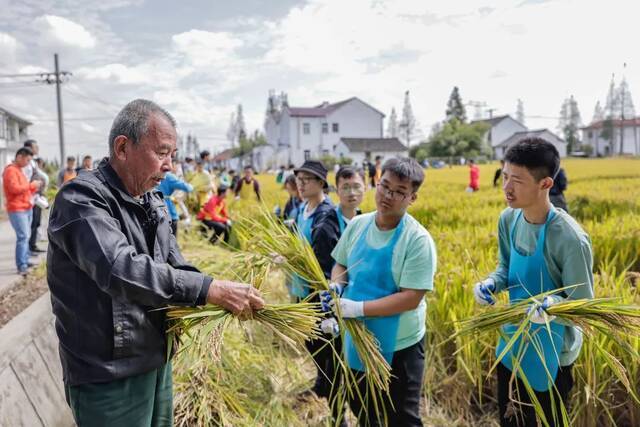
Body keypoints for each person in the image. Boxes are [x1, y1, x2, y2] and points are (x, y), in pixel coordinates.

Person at [46, 99, 264, 426]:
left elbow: (174, 262)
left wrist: (222, 294)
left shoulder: (152, 199)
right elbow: (119, 268)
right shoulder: (81, 200)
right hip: (110, 373)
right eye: (162, 153)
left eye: (172, 155)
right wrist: (208, 289)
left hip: (157, 360)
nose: (170, 166)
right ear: (122, 148)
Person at [472, 138, 593, 427]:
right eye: (504, 177)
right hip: (513, 341)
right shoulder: (508, 219)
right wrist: (491, 283)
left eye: (518, 181)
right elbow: (505, 267)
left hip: (554, 352)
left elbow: (584, 307)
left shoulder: (570, 239)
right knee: (511, 420)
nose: (507, 188)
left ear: (545, 184)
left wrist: (553, 307)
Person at [321, 157, 437, 426]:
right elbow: (341, 262)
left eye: (399, 192)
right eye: (385, 186)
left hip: (401, 346)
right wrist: (337, 285)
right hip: (358, 339)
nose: (388, 196)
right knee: (364, 411)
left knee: (402, 418)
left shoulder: (417, 240)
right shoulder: (359, 226)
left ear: (412, 198)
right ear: (377, 182)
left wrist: (358, 308)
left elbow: (411, 297)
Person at [3, 147, 42, 275]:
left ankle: (25, 260)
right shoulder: (10, 171)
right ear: (19, 156)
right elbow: (14, 189)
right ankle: (21, 265)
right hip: (17, 209)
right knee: (23, 236)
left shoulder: (19, 170)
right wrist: (32, 185)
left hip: (25, 207)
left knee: (26, 236)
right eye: (27, 160)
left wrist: (34, 188)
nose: (28, 163)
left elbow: (23, 190)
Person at [156, 158, 194, 237]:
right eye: (177, 165)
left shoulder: (154, 173)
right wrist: (191, 185)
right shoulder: (169, 176)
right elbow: (187, 188)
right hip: (168, 210)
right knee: (171, 241)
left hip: (155, 209)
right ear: (171, 164)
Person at [22, 139, 48, 254]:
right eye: (35, 147)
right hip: (32, 196)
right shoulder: (27, 164)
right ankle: (29, 248)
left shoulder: (33, 162)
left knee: (36, 222)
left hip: (37, 195)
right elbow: (27, 180)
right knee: (32, 224)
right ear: (29, 148)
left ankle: (32, 245)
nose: (37, 148)